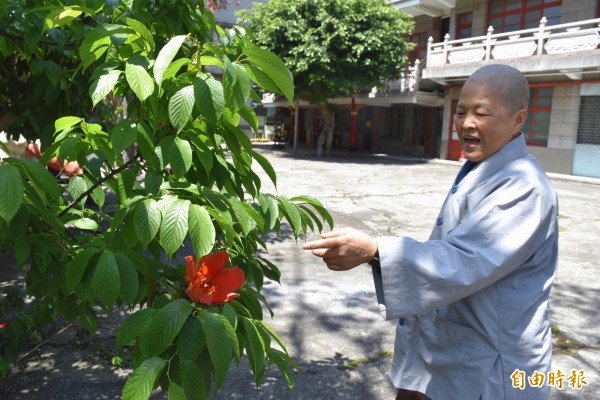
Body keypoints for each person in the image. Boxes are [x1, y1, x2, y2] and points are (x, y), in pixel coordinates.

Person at [303, 64, 559, 400]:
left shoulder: (525, 186)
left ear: (518, 119)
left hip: (496, 365)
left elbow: (464, 259)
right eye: (461, 111)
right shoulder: (483, 168)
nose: (466, 123)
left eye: (481, 113)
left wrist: (376, 249)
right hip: (455, 344)